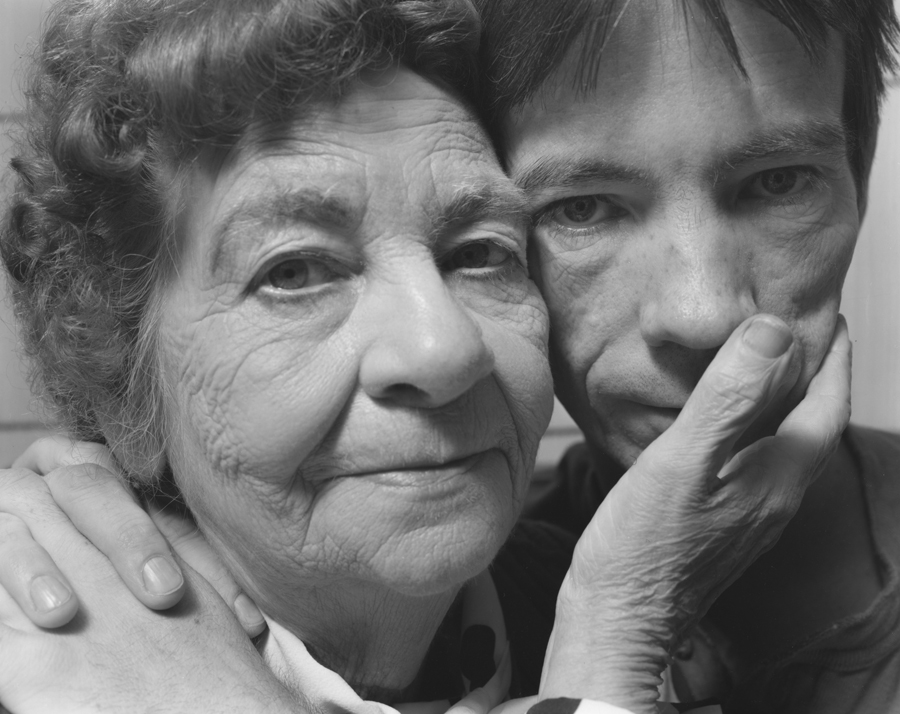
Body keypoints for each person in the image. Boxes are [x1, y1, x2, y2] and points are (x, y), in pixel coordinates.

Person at [0, 1, 852, 713]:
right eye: (294, 271)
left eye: (480, 252)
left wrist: (615, 642)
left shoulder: (637, 607)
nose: (445, 348)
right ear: (119, 380)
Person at [473, 0, 900, 711]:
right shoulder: (449, 615)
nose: (703, 316)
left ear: (858, 178)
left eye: (779, 182)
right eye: (582, 207)